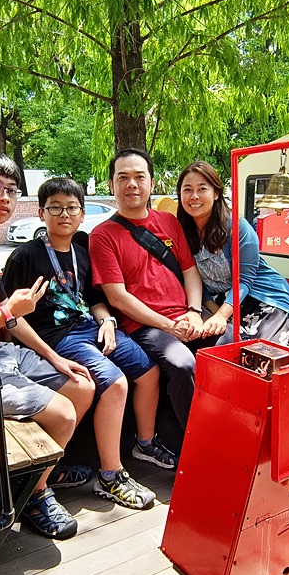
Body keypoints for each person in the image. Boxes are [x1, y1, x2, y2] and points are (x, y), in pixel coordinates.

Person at [3, 178, 176, 509]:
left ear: (82, 215)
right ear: (41, 213)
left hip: (91, 328)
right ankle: (111, 476)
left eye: (71, 208)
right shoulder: (26, 256)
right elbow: (11, 316)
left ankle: (145, 442)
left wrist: (107, 321)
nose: (63, 214)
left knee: (148, 370)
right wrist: (48, 356)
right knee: (115, 384)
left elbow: (96, 299)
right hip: (57, 338)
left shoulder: (82, 254)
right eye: (55, 207)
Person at [0, 151, 96, 540]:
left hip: (2, 354)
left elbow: (11, 318)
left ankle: (45, 471)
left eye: (11, 190)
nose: (4, 198)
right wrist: (5, 316)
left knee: (82, 384)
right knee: (65, 415)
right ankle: (36, 495)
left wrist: (55, 358)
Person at [89, 149, 215, 437]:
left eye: (139, 177)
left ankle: (228, 429)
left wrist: (194, 312)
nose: (131, 184)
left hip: (186, 315)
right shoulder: (103, 235)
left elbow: (189, 271)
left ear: (152, 184)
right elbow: (117, 297)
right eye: (123, 177)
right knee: (182, 363)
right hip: (144, 325)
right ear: (112, 186)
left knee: (233, 342)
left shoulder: (169, 222)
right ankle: (195, 441)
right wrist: (169, 325)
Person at [176, 160, 289, 348]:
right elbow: (194, 278)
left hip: (263, 298)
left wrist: (223, 316)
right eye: (187, 189)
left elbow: (245, 279)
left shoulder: (238, 227)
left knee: (263, 352)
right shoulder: (181, 231)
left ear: (216, 194)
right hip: (223, 303)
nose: (194, 196)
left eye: (202, 189)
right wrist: (217, 315)